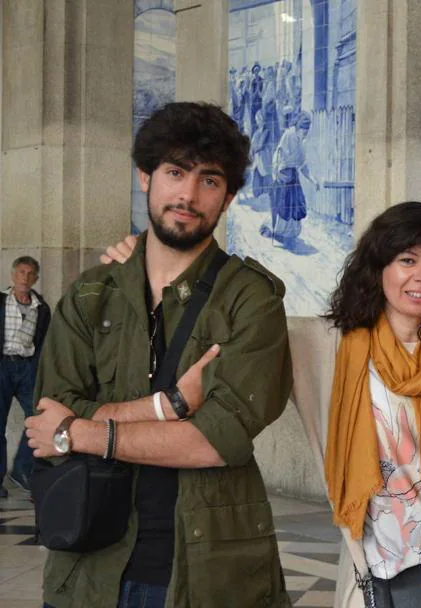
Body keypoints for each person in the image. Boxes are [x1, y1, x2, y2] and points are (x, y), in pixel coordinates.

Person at [27, 101, 293, 608]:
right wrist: (164, 407)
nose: (188, 195)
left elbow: (217, 440)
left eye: (209, 180)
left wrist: (82, 432)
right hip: (88, 568)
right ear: (146, 176)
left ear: (229, 196)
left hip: (204, 570)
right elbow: (47, 423)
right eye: (175, 172)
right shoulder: (91, 294)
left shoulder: (250, 299)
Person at [289, 201, 421, 607]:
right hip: (371, 558)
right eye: (407, 260)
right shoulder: (332, 346)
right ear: (378, 267)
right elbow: (250, 327)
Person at [0, 256, 50, 496]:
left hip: (27, 367)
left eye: (30, 274)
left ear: (36, 279)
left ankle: (21, 469)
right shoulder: (1, 301)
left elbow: (43, 341)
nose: (25, 277)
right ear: (12, 275)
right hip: (2, 364)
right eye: (21, 272)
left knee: (39, 416)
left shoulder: (41, 307)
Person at [263, 110, 319, 245]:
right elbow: (278, 154)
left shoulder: (302, 143)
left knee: (296, 205)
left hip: (293, 176)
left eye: (307, 131)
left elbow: (303, 165)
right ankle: (275, 232)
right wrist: (276, 174)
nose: (305, 134)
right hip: (283, 175)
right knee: (283, 205)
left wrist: (313, 180)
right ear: (299, 127)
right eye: (304, 130)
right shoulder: (289, 135)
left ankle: (289, 236)